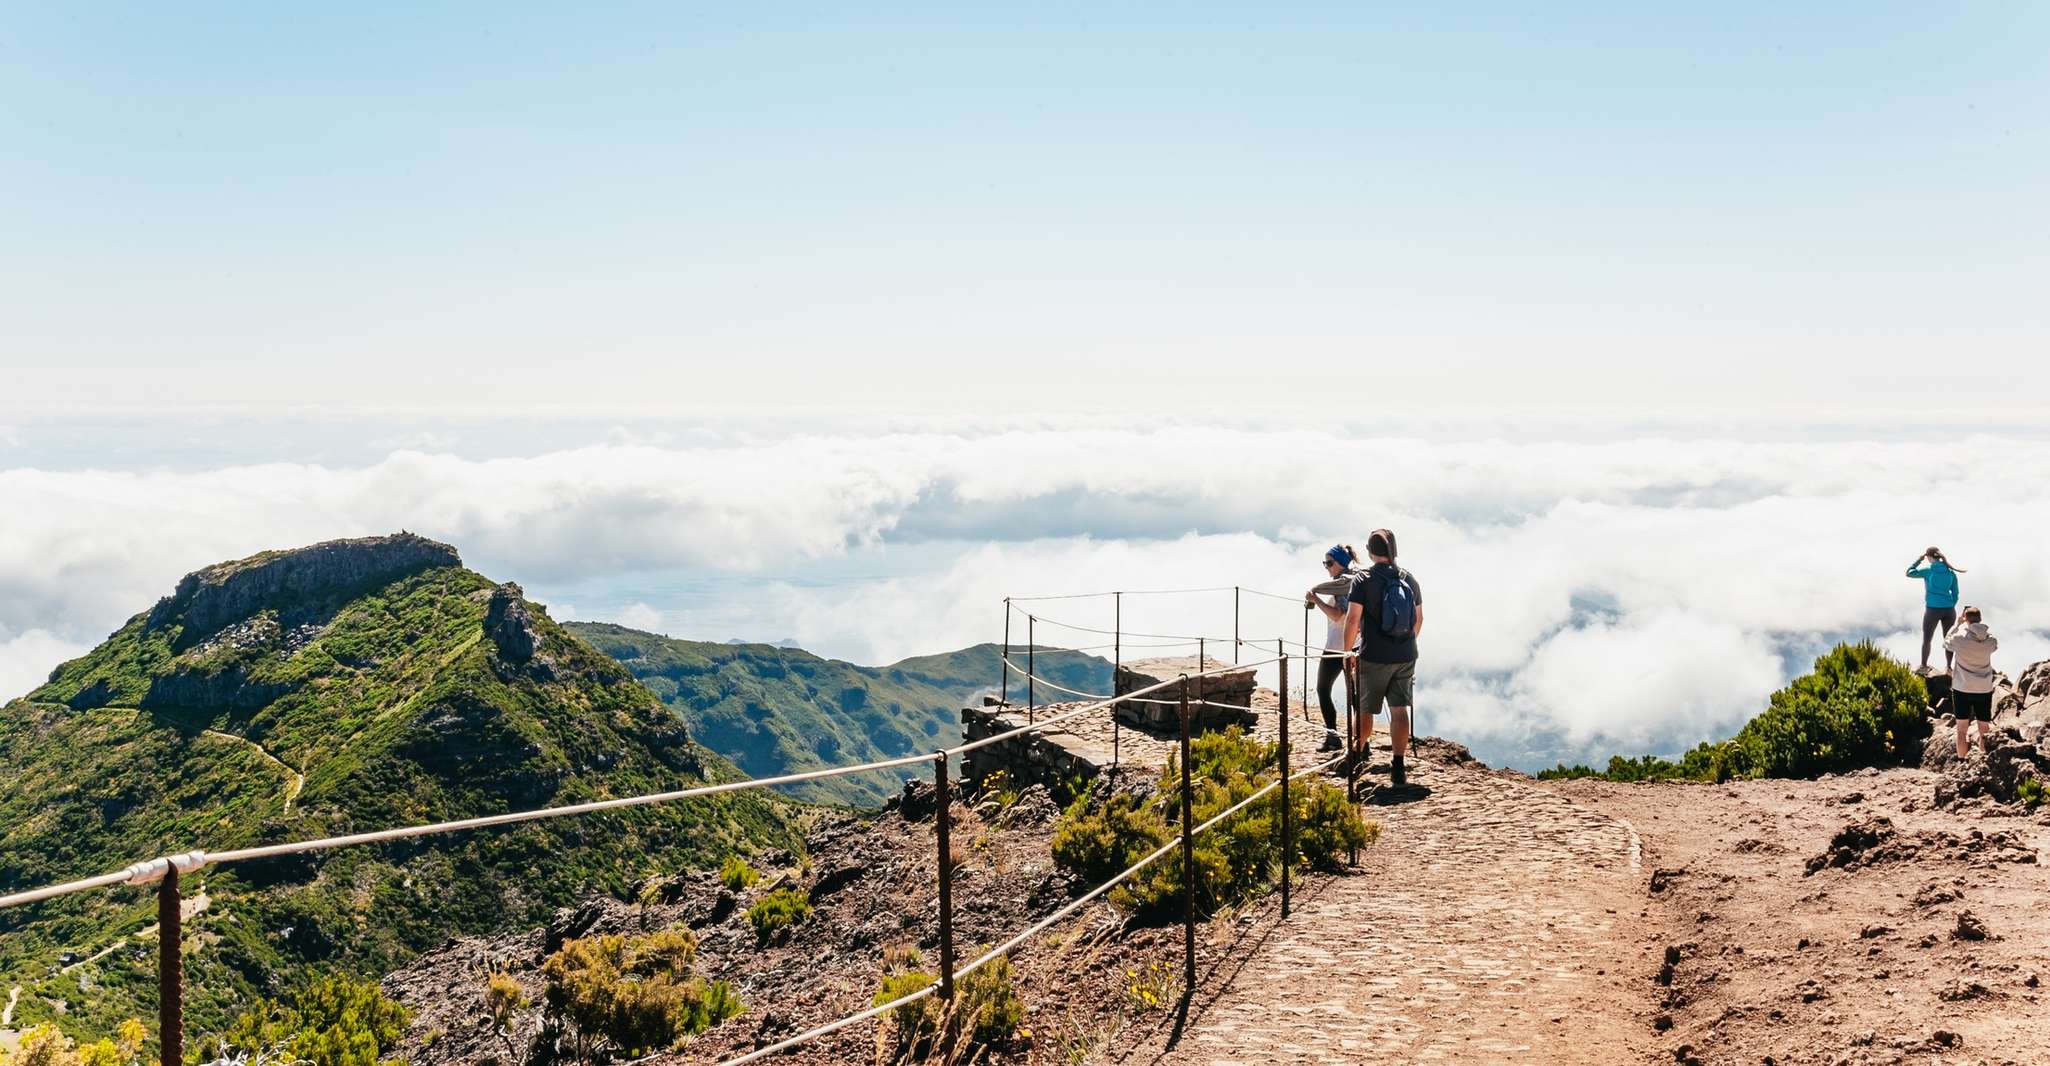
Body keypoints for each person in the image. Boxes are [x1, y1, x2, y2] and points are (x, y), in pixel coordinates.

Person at [1344, 528, 1423, 786]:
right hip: (1405, 654)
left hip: (1373, 656)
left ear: (1369, 551)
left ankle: (1356, 755)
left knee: (1365, 710)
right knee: (1400, 710)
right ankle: (1398, 766)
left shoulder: (1363, 579)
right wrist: (1405, 644)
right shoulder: (1409, 579)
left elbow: (1353, 618)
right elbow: (1418, 619)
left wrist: (1347, 652)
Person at [1304, 544, 1358, 752]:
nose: (1326, 567)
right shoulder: (1356, 583)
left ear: (1340, 563)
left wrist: (1315, 598)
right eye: (1325, 563)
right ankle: (1362, 741)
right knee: (1355, 696)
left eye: (1329, 563)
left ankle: (1333, 737)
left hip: (1336, 648)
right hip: (1355, 647)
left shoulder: (1340, 586)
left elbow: (1337, 615)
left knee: (1323, 689)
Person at [1944, 606, 1998, 759]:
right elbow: (1994, 644)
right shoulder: (1991, 640)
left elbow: (1946, 642)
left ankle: (1962, 762)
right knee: (1984, 728)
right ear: (1980, 619)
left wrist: (1957, 624)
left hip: (1962, 688)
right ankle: (1982, 762)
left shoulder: (1959, 639)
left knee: (1962, 729)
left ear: (1966, 619)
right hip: (1984, 688)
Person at [1906, 547, 1964, 673]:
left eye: (1926, 557)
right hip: (1949, 610)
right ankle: (1949, 667)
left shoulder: (1928, 570)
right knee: (1948, 639)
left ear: (1929, 557)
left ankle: (1923, 666)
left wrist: (1918, 561)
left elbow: (1909, 572)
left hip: (1932, 609)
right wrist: (1950, 605)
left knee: (1927, 639)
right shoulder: (1950, 572)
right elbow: (1956, 593)